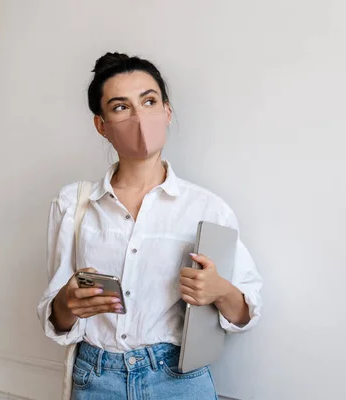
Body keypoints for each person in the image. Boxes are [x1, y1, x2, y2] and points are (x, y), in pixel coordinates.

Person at [37, 52, 263, 400]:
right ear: (101, 124)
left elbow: (247, 312)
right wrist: (68, 302)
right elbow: (56, 316)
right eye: (120, 107)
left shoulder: (206, 208)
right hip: (96, 378)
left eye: (149, 100)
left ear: (167, 111)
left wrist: (218, 290)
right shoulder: (73, 204)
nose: (139, 116)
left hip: (179, 379)